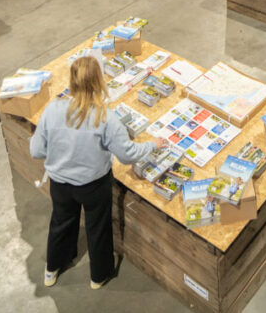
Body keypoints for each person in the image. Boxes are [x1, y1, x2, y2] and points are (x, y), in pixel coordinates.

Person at [30, 55, 166, 290]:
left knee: (61, 222)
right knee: (98, 228)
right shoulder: (106, 117)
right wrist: (153, 144)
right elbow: (127, 154)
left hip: (60, 184)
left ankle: (52, 269)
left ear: (72, 81)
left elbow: (36, 151)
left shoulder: (52, 110)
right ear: (99, 82)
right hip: (94, 185)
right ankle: (99, 275)